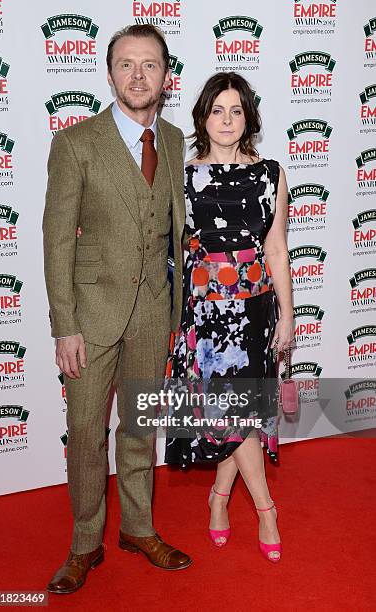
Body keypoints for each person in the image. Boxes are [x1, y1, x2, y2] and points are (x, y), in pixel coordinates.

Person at [42, 24, 192, 595]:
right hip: (92, 312)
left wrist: (184, 313)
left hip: (156, 309)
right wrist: (66, 326)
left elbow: (181, 233)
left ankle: (138, 528)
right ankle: (85, 544)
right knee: (85, 431)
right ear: (109, 74)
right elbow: (57, 239)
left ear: (165, 77)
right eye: (126, 64)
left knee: (139, 428)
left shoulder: (176, 141)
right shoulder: (76, 143)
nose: (137, 75)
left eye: (149, 64)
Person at [164, 72, 294, 562]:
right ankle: (265, 509)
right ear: (203, 116)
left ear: (249, 117)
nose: (226, 119)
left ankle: (220, 498)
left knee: (240, 416)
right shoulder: (184, 176)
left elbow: (277, 250)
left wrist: (287, 316)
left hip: (256, 310)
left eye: (236, 110)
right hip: (208, 319)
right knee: (231, 415)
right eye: (217, 110)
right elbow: (172, 250)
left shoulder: (272, 173)